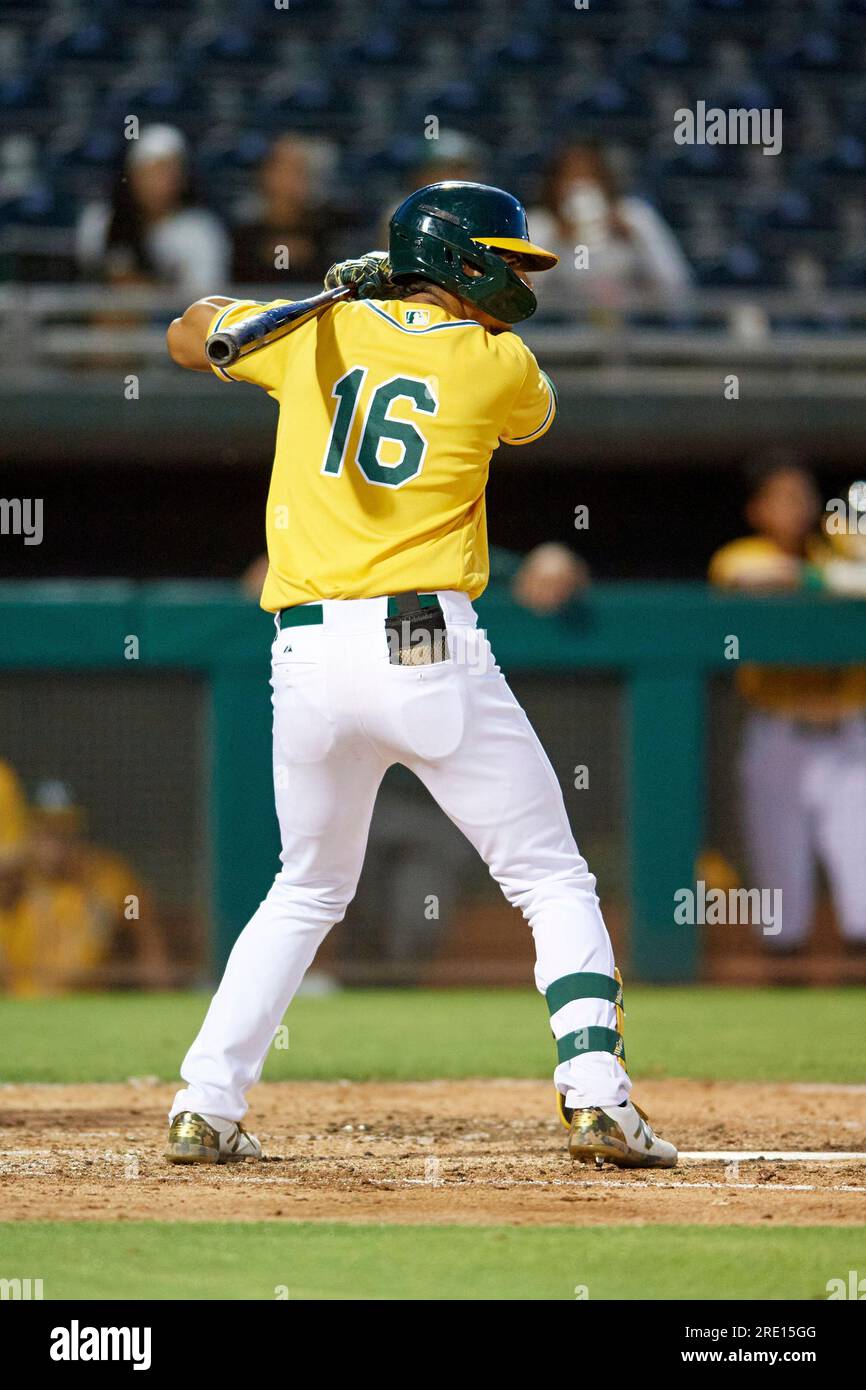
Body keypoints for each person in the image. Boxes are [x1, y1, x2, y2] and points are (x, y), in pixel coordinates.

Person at [164, 180, 676, 1169]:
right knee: (549, 873)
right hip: (420, 644)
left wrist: (323, 310)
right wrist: (350, 305)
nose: (514, 278)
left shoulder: (312, 336)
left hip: (304, 655)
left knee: (305, 885)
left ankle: (204, 1102)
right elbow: (533, 412)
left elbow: (188, 333)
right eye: (500, 258)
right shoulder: (497, 363)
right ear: (452, 260)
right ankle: (596, 1095)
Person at [709, 456, 866, 956]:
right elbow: (754, 577)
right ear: (758, 509)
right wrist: (834, 580)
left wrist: (852, 552)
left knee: (863, 890)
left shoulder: (838, 550)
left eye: (804, 497)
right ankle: (784, 988)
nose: (798, 507)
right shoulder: (742, 554)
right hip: (779, 733)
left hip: (850, 736)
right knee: (781, 899)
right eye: (784, 497)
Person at [0, 781, 170, 996]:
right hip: (23, 1000)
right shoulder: (14, 883)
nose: (55, 843)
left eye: (63, 829)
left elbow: (140, 923)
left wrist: (160, 992)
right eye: (46, 830)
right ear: (30, 831)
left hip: (89, 1003)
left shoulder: (108, 879)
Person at [527, 143, 692, 314]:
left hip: (632, 325)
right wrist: (554, 240)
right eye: (570, 177)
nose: (581, 185)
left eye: (590, 176)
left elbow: (677, 282)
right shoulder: (540, 224)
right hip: (560, 328)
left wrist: (636, 238)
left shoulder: (634, 216)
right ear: (554, 185)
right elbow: (521, 292)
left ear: (605, 181)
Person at [76, 125, 229, 297]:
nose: (159, 183)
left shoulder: (201, 229)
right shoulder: (101, 220)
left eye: (168, 172)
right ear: (132, 175)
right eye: (150, 172)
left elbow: (205, 297)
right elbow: (90, 282)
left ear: (183, 178)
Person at [231, 135, 337, 286]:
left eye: (301, 170)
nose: (294, 179)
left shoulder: (328, 228)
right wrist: (283, 253)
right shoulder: (243, 231)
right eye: (286, 169)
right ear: (266, 174)